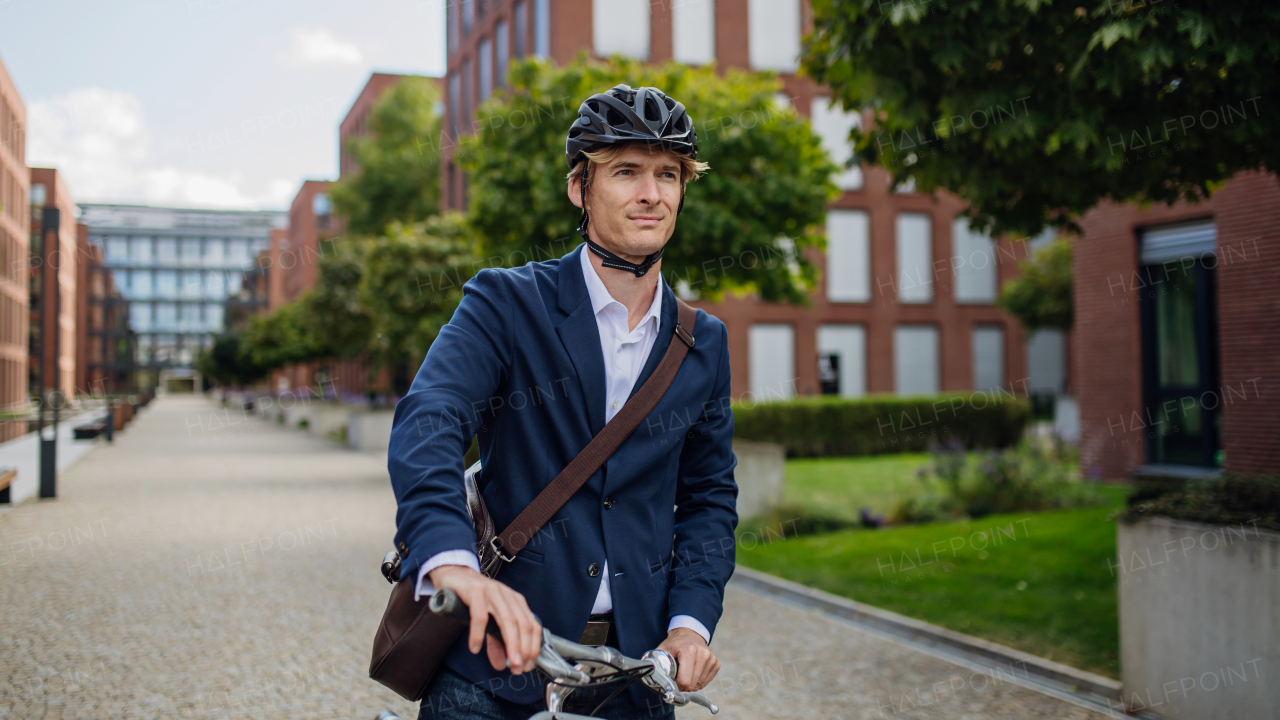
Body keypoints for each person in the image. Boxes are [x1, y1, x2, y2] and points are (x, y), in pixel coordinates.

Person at [389, 84, 738, 720]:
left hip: (636, 680)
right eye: (626, 171)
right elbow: (429, 421)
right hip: (489, 672)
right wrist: (452, 566)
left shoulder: (702, 342)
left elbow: (710, 497)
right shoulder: (506, 303)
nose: (651, 193)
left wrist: (691, 624)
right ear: (580, 187)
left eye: (668, 174)